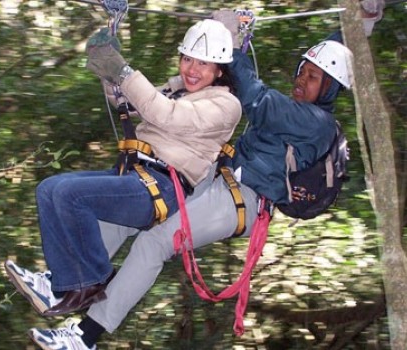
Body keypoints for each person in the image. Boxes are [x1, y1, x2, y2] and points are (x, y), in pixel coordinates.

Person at [20, 9, 356, 350]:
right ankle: (63, 284)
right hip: (219, 176)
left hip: (245, 197)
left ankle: (84, 337)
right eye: (303, 72)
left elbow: (255, 97)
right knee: (130, 214)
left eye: (314, 78)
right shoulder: (296, 111)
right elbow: (334, 43)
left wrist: (233, 43)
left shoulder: (315, 122)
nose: (302, 80)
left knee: (155, 242)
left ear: (330, 89)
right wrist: (363, 16)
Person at [4, 17, 242, 333]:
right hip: (134, 174)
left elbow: (165, 114)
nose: (192, 69)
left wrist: (124, 71)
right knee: (49, 189)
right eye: (187, 58)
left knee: (68, 196)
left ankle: (86, 281)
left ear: (219, 70)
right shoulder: (176, 91)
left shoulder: (225, 105)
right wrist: (108, 69)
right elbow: (126, 102)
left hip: (163, 186)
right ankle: (63, 283)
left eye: (203, 63)